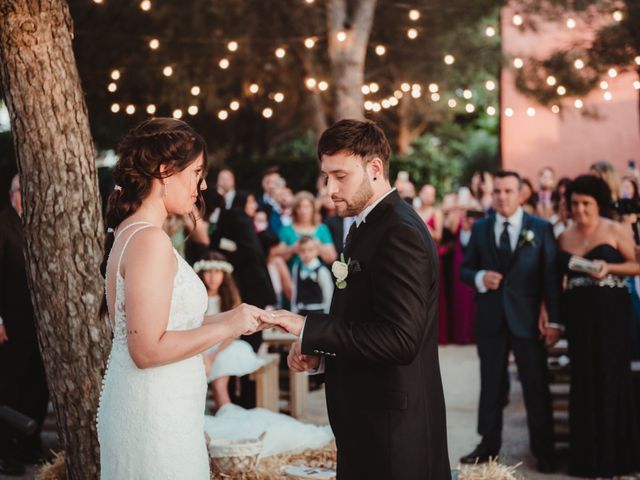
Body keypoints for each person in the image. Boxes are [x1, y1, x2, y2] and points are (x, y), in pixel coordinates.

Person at [263, 119, 450, 479]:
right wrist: (320, 351)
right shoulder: (367, 224)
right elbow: (364, 319)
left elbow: (400, 340)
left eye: (340, 176)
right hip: (367, 424)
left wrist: (309, 328)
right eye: (325, 177)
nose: (330, 189)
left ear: (375, 168)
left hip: (392, 434)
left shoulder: (399, 232)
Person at [96, 118, 265, 480]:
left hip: (163, 406)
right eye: (197, 172)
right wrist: (228, 327)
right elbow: (148, 350)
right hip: (154, 414)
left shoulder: (135, 233)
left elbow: (168, 325)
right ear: (164, 171)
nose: (202, 185)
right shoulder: (149, 241)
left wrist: (233, 316)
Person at [459, 170, 559, 473]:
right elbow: (465, 269)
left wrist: (554, 321)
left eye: (508, 191)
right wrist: (480, 277)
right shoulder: (481, 229)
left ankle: (544, 449)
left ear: (520, 194)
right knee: (491, 383)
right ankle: (488, 445)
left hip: (527, 320)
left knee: (535, 385)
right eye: (497, 192)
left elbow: (551, 277)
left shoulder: (540, 228)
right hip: (491, 318)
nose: (502, 197)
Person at [558, 175, 640, 478]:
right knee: (584, 379)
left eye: (586, 203)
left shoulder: (615, 229)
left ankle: (615, 458)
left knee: (611, 377)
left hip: (612, 313)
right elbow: (558, 277)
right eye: (575, 203)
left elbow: (636, 265)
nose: (580, 209)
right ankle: (586, 460)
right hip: (578, 315)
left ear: (598, 204)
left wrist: (610, 267)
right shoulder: (564, 236)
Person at [0, 175, 49, 476]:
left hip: (40, 329)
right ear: (11, 194)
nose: (26, 196)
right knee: (9, 386)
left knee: (37, 386)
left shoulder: (40, 227)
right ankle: (5, 449)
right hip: (10, 326)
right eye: (21, 191)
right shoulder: (3, 225)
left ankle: (30, 444)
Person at [195, 252, 266, 411]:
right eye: (208, 272)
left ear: (224, 274)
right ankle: (212, 410)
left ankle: (225, 410)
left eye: (217, 272)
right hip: (202, 344)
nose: (212, 277)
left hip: (225, 345)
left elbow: (234, 332)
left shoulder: (230, 297)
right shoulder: (197, 297)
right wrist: (205, 354)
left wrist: (213, 355)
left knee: (220, 374)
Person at [279, 191, 337, 267]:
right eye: (299, 207)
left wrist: (318, 246)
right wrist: (292, 249)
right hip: (294, 274)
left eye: (306, 207)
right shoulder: (286, 230)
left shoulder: (322, 229)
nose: (303, 211)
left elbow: (332, 258)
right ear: (294, 210)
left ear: (313, 209)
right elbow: (279, 258)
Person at [290, 236, 334, 315]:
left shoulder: (322, 271)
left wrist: (328, 315)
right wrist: (293, 310)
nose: (306, 254)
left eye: (310, 250)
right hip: (301, 311)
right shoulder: (296, 268)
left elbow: (328, 295)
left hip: (318, 312)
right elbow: (295, 291)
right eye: (302, 251)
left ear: (317, 251)